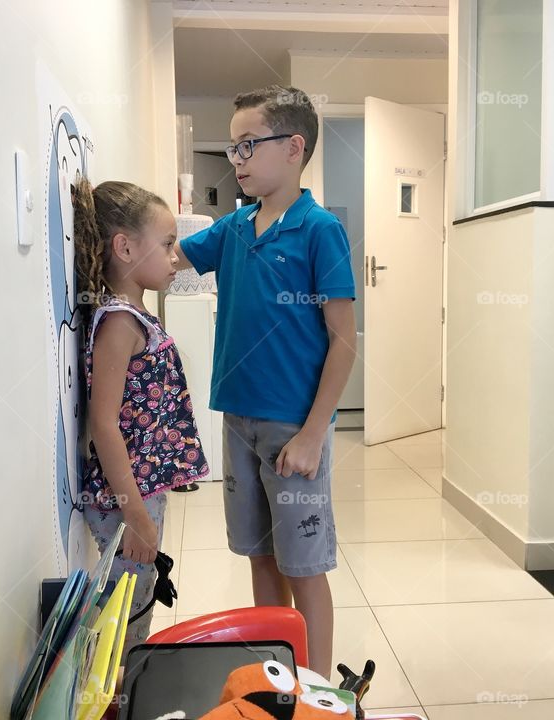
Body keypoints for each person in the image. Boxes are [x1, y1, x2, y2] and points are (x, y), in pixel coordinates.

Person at [176, 86, 357, 677]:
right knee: (259, 556)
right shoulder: (233, 228)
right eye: (234, 148)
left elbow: (344, 341)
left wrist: (313, 434)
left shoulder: (319, 229)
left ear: (294, 148)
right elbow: (169, 258)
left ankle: (318, 690)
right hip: (238, 420)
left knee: (303, 566)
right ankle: (282, 674)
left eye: (249, 145)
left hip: (293, 427)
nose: (238, 159)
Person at [72, 177, 209, 654]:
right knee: (125, 618)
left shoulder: (135, 314)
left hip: (141, 489)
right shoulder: (119, 322)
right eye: (167, 244)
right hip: (125, 498)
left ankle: (127, 683)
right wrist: (133, 513)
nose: (176, 256)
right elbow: (103, 423)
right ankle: (120, 689)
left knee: (138, 600)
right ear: (125, 247)